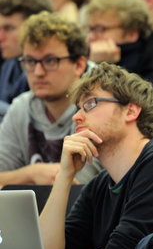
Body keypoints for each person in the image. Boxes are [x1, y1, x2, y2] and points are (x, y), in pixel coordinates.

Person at [39, 62, 153, 249]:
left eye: (90, 104)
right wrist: (64, 176)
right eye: (77, 108)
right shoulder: (98, 186)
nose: (76, 116)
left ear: (130, 111)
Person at [0, 11, 100, 186]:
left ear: (79, 65)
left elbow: (82, 188)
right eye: (30, 62)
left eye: (50, 61)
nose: (38, 72)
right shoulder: (20, 108)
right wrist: (32, 174)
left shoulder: (99, 107)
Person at [85, 0, 153, 118]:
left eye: (100, 29)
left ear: (132, 33)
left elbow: (125, 121)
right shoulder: (91, 60)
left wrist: (100, 68)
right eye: (89, 29)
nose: (91, 37)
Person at [0, 0, 53, 120]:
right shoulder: (9, 64)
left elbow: (35, 121)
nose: (1, 37)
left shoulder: (50, 69)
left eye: (9, 28)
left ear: (36, 29)